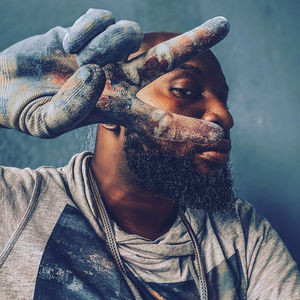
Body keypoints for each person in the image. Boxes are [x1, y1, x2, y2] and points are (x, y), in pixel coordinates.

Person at [0, 8, 299, 300]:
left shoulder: (241, 234)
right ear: (106, 105)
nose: (223, 116)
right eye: (185, 90)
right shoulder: (17, 203)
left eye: (224, 100)